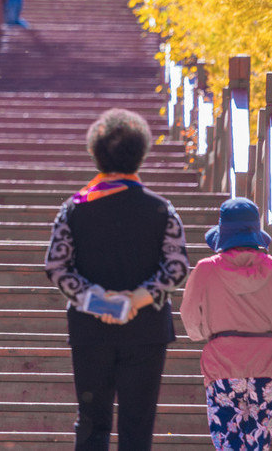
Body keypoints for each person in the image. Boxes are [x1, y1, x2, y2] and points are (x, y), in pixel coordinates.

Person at [44, 108, 191, 451]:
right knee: (137, 426)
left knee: (92, 423)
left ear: (96, 154)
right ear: (140, 155)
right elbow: (177, 266)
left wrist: (98, 301)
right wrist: (134, 300)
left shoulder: (74, 208)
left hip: (90, 330)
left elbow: (56, 265)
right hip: (146, 330)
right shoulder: (162, 208)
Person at [177, 197, 272, 451]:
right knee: (258, 441)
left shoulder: (205, 270)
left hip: (221, 363)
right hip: (266, 362)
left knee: (227, 441)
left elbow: (190, 316)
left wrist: (206, 334)